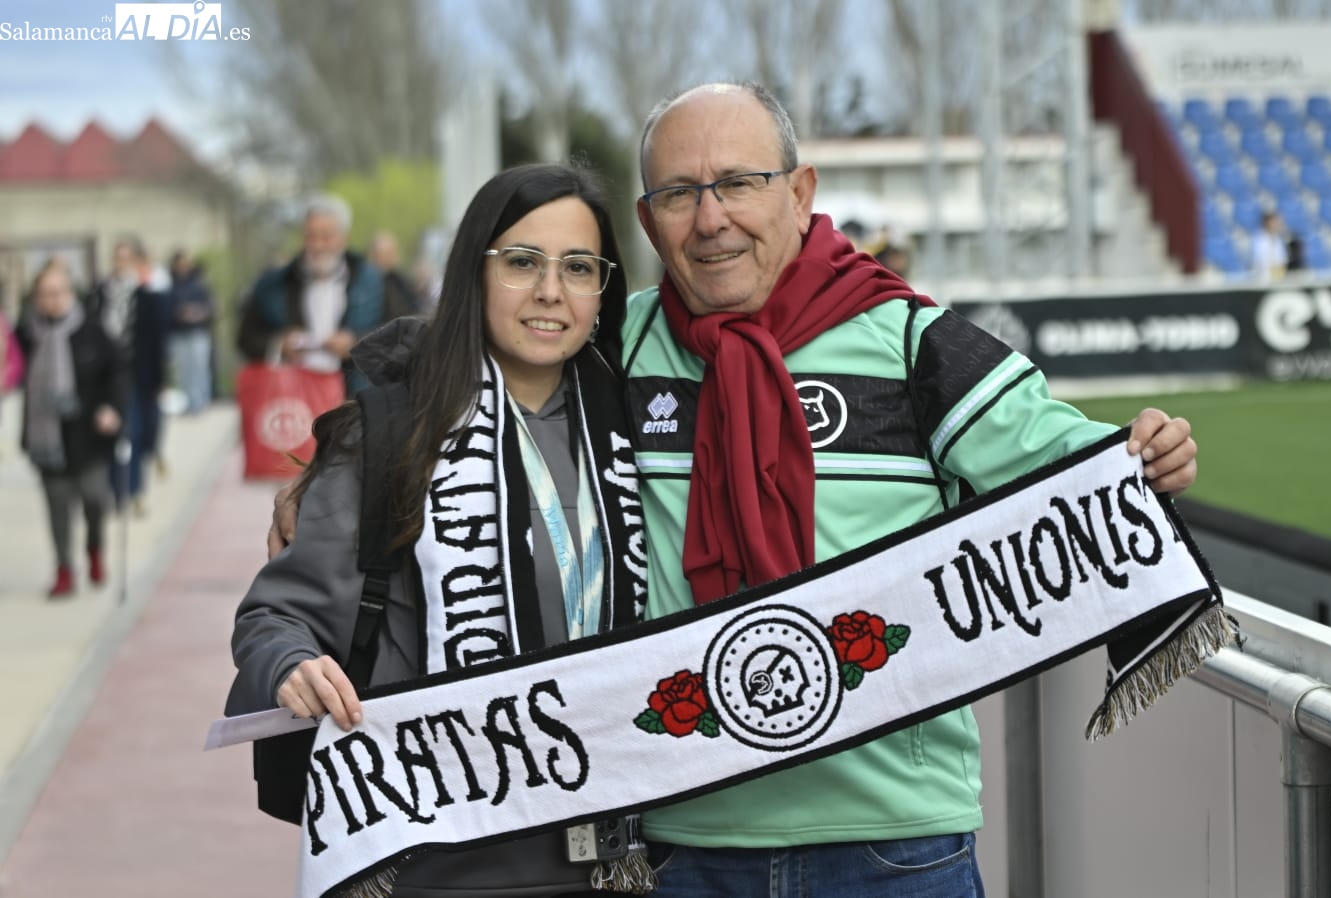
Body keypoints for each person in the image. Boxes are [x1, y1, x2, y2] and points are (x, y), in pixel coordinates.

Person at [271, 83, 1199, 897]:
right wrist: (340, 452)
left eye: (738, 184)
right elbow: (467, 347)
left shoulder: (912, 340)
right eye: (679, 193)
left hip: (891, 843)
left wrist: (1147, 456)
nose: (710, 218)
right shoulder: (618, 345)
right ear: (648, 221)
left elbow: (1064, 461)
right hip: (681, 845)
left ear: (800, 193)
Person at [228, 163, 648, 897]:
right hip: (437, 855)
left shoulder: (640, 428)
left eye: (578, 267)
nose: (551, 292)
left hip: (613, 858)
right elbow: (274, 617)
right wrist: (292, 663)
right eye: (522, 263)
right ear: (472, 272)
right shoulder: (391, 434)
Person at [15, 260, 127, 597]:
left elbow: (118, 372)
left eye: (58, 292)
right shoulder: (26, 335)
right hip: (46, 436)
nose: (52, 300)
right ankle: (64, 568)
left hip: (88, 433)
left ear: (70, 292)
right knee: (57, 507)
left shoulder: (92, 330)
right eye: (45, 294)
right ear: (36, 297)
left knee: (95, 499)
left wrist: (112, 408)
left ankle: (94, 548)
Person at [236, 194, 385, 397]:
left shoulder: (372, 280)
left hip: (354, 400)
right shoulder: (273, 285)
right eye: (310, 236)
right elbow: (246, 338)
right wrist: (279, 344)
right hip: (294, 398)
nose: (317, 245)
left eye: (326, 236)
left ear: (344, 238)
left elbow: (399, 334)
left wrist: (355, 342)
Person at [87, 236, 170, 514]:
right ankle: (115, 489)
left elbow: (157, 342)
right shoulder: (99, 294)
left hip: (136, 374)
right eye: (117, 258)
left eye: (127, 259)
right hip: (103, 376)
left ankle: (132, 490)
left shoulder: (147, 297)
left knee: (133, 432)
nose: (121, 264)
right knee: (109, 432)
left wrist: (159, 379)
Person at [166, 250, 216, 414]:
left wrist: (197, 313)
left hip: (197, 332)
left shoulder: (198, 284)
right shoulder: (170, 286)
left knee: (199, 367)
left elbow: (210, 307)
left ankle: (201, 401)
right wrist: (179, 313)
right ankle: (188, 401)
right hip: (179, 332)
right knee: (184, 370)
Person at [369, 230, 423, 321]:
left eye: (390, 253)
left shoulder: (401, 282)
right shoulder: (366, 283)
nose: (387, 258)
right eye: (383, 254)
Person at [1250, 209, 1288, 283]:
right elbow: (1259, 259)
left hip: (1278, 276)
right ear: (1266, 223)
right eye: (1273, 222)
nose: (1276, 225)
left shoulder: (1278, 239)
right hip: (1262, 277)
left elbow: (1282, 260)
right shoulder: (1258, 239)